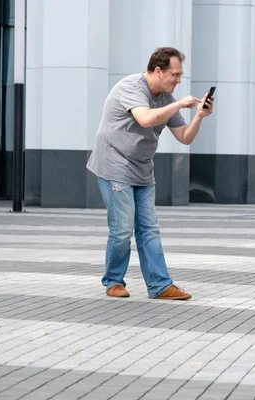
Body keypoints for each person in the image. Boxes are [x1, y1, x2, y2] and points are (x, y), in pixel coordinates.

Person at [86, 47, 214, 300]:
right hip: (114, 164)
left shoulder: (167, 99)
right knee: (122, 229)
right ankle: (113, 281)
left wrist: (199, 116)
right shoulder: (131, 87)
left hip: (142, 169)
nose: (178, 80)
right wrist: (179, 103)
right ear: (158, 70)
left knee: (149, 230)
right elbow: (145, 119)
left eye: (179, 76)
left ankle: (160, 286)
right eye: (175, 75)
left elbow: (185, 137)